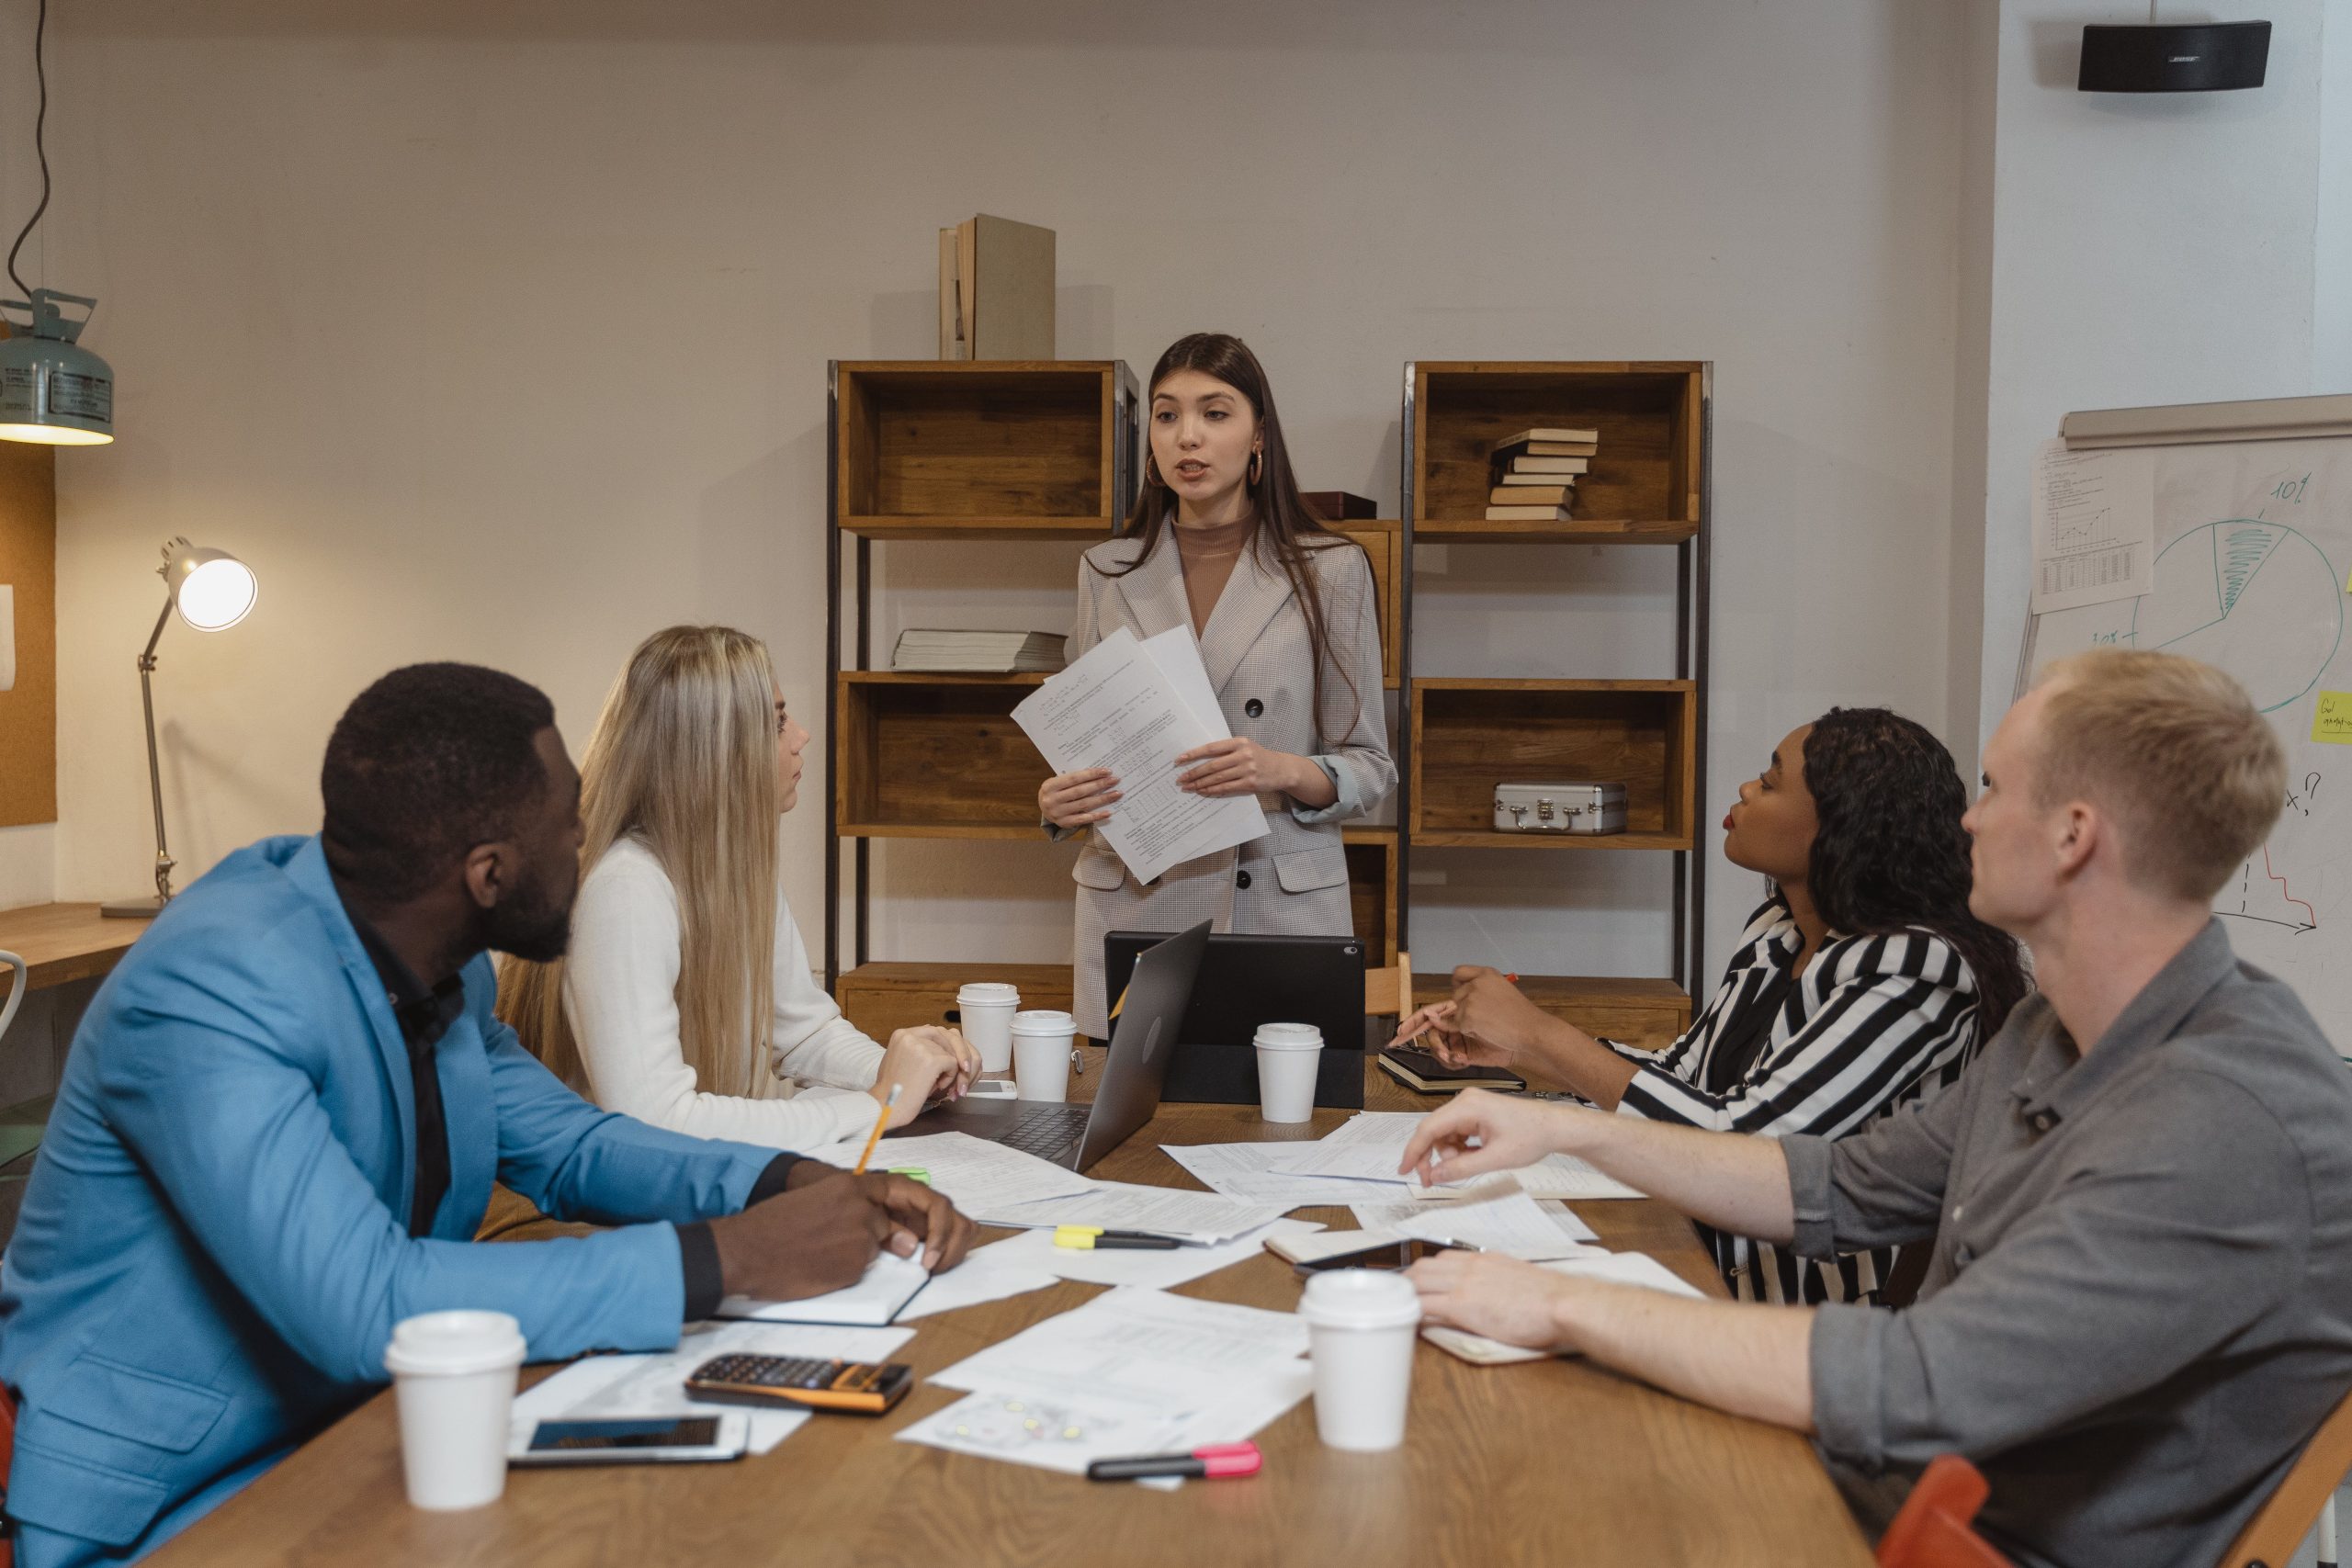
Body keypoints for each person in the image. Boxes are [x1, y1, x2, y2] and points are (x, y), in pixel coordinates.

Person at [0, 664, 976, 1568]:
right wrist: (731, 1257)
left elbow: (573, 1146)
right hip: (177, 1497)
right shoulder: (213, 990)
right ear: (489, 873)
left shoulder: (435, 958)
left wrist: (781, 1182)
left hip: (377, 1433)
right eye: (569, 824)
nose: (587, 845)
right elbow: (365, 1303)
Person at [1397, 650, 2352, 1568]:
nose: (1967, 823)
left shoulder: (2223, 1118)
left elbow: (1924, 1384)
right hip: (1893, 1489)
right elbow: (1832, 1184)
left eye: (1991, 789)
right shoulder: (2049, 1033)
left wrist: (1562, 1303)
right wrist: (1564, 1125)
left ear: (2073, 834)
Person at [1390, 707, 2028, 1303]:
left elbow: (1748, 1145)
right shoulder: (1779, 930)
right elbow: (1682, 1077)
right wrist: (1522, 1054)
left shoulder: (1915, 966)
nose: (1746, 790)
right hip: (1702, 1255)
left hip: (1806, 1311)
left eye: (1772, 782)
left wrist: (1542, 1036)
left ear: (1840, 823)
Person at [1037, 333, 1395, 1038]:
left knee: (1277, 1138)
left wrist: (1280, 767)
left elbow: (1371, 768)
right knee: (1128, 1140)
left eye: (1215, 413)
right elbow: (1086, 741)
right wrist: (1059, 801)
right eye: (1167, 416)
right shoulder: (1104, 571)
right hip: (1137, 908)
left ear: (1259, 434)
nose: (1188, 436)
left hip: (1274, 905)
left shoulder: (1332, 569)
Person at [499, 626, 978, 1148]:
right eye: (776, 724)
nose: (801, 736)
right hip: (595, 1207)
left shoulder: (731, 870)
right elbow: (657, 1121)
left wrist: (911, 1073)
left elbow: (806, 1035)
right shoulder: (626, 891)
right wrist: (877, 1102)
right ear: (717, 750)